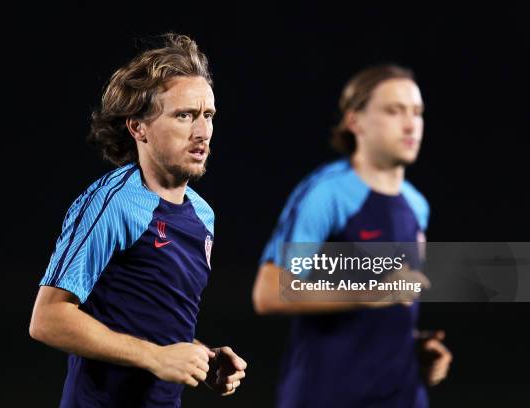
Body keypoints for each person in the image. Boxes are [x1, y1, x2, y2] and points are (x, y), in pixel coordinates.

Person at [29, 33, 246, 408]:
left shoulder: (203, 215)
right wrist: (157, 358)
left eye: (207, 115)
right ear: (138, 128)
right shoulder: (113, 203)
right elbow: (48, 318)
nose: (202, 132)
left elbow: (144, 324)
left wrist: (198, 357)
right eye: (184, 115)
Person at [252, 64, 451, 407]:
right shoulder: (327, 193)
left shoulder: (417, 205)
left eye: (417, 113)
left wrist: (416, 346)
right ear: (354, 121)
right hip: (325, 395)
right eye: (394, 111)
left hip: (402, 395)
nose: (410, 124)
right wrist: (372, 292)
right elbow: (269, 292)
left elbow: (394, 304)